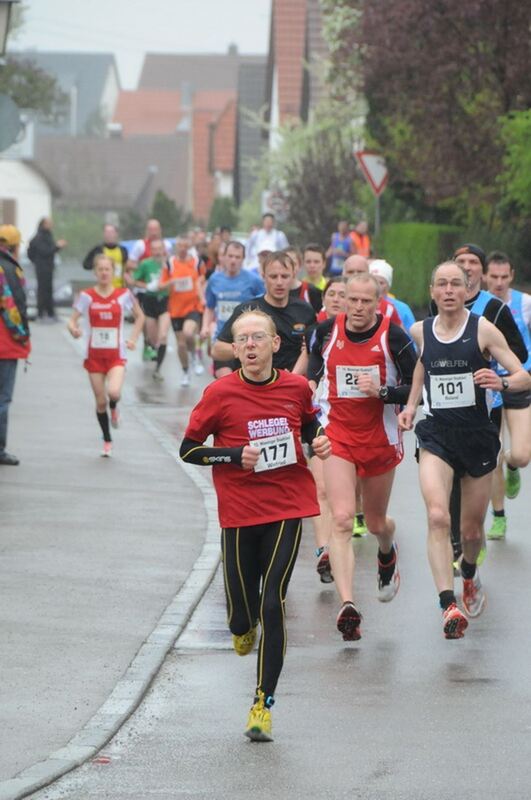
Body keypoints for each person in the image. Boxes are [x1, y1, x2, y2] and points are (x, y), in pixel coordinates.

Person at [180, 309, 331, 741]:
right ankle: (241, 628)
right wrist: (232, 455)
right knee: (242, 618)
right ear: (235, 347)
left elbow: (308, 424)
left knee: (273, 603)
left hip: (286, 505)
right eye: (241, 339)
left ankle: (262, 704)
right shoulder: (219, 393)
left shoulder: (297, 387)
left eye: (257, 338)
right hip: (239, 512)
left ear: (274, 344)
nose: (249, 346)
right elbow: (188, 449)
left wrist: (319, 439)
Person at [399, 261, 530, 639]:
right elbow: (422, 369)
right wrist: (410, 405)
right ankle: (447, 604)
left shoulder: (483, 329)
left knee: (471, 532)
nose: (450, 290)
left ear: (467, 287)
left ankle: (469, 574)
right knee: (438, 516)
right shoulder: (420, 330)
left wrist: (501, 383)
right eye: (442, 284)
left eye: (456, 283)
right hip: (436, 434)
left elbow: (522, 374)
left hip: (477, 434)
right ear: (433, 291)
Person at [309, 273, 416, 640]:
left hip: (380, 440)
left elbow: (416, 385)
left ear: (378, 302)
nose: (357, 308)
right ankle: (348, 605)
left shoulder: (394, 336)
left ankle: (388, 550)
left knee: (374, 523)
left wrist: (385, 391)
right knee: (340, 519)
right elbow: (313, 371)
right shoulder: (325, 331)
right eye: (352, 300)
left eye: (365, 302)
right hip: (339, 436)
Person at [438, 244, 528, 568]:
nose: (467, 267)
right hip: (452, 408)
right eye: (460, 261)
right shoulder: (440, 306)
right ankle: (465, 540)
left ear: (480, 270)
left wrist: (499, 375)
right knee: (456, 474)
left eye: (473, 262)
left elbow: (519, 353)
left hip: (492, 398)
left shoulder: (495, 308)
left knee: (492, 465)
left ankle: (475, 529)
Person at [67, 254, 144, 457]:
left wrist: (134, 339)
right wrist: (73, 330)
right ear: (95, 272)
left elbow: (140, 317)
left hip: (116, 355)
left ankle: (115, 408)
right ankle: (107, 439)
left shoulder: (123, 295)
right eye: (100, 269)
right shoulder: (86, 296)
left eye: (107, 269)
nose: (103, 273)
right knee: (100, 402)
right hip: (93, 356)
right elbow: (71, 320)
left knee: (114, 393)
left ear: (113, 272)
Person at [483, 251, 531, 540]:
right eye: (494, 277)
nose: (499, 283)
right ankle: (498, 516)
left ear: (511, 275)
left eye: (504, 277)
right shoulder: (478, 305)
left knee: (523, 454)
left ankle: (513, 465)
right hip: (488, 384)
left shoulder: (525, 304)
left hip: (518, 381)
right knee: (493, 453)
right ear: (486, 276)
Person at [212, 251, 316, 374]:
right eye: (273, 276)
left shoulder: (305, 311)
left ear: (293, 275)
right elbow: (217, 351)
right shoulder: (247, 310)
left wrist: (293, 378)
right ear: (263, 276)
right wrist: (251, 347)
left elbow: (311, 352)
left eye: (284, 276)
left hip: (289, 382)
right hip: (252, 383)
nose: (279, 282)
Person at [306, 277, 348, 582]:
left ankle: (338, 540)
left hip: (356, 423)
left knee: (343, 497)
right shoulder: (318, 330)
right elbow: (311, 367)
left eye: (342, 295)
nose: (336, 299)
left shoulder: (373, 331)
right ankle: (324, 549)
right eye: (331, 294)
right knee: (319, 486)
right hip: (322, 415)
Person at [201, 241, 264, 378]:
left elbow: (265, 305)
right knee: (225, 379)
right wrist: (205, 326)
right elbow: (210, 307)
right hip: (223, 339)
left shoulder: (254, 281)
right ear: (223, 257)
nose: (233, 260)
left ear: (243, 259)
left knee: (244, 383)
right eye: (230, 256)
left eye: (237, 257)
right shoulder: (215, 279)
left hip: (246, 339)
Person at [0, 225, 31, 466]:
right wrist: (23, 336)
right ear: (14, 247)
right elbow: (12, 309)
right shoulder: (9, 269)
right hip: (5, 344)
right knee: (2, 398)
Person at [159, 237, 204, 386]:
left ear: (189, 247)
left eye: (186, 246)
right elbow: (161, 285)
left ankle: (194, 356)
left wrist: (200, 287)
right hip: (176, 309)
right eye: (180, 246)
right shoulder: (170, 263)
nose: (183, 248)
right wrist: (170, 282)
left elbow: (203, 277)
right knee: (181, 344)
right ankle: (186, 372)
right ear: (176, 247)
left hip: (193, 306)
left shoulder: (197, 262)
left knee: (188, 333)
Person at [132, 238, 171, 381]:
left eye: (159, 248)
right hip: (149, 301)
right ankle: (151, 348)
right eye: (154, 249)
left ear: (164, 250)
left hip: (164, 301)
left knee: (163, 336)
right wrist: (147, 286)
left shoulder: (169, 264)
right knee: (153, 338)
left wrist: (166, 284)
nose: (157, 252)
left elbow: (176, 280)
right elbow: (133, 280)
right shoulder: (145, 264)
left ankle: (158, 369)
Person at [27, 217, 66, 322]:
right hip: (42, 267)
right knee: (42, 290)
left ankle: (50, 312)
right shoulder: (39, 237)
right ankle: (41, 313)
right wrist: (57, 246)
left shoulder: (48, 235)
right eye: (49, 223)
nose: (51, 225)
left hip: (48, 267)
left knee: (48, 290)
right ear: (43, 224)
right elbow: (45, 251)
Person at [369, 259, 416, 333]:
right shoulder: (361, 304)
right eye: (374, 282)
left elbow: (412, 338)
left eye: (381, 283)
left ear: (388, 286)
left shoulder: (402, 308)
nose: (377, 286)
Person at [83, 224, 129, 288]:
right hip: (103, 288)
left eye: (111, 232)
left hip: (119, 287)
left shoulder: (123, 250)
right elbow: (86, 265)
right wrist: (99, 267)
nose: (109, 235)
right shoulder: (98, 249)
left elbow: (127, 268)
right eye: (107, 232)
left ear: (116, 234)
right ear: (104, 235)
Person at [287, 247, 323, 314]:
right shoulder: (274, 291)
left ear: (300, 265)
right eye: (285, 264)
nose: (290, 267)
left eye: (293, 264)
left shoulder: (312, 291)